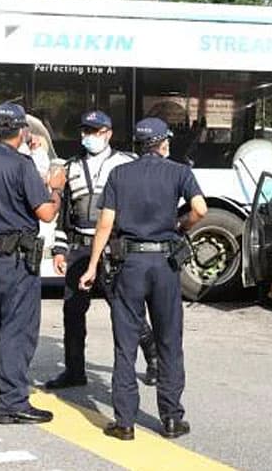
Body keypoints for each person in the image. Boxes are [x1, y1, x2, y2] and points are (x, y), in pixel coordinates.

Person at [79, 117, 207, 441]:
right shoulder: (179, 172)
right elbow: (201, 210)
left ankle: (124, 423)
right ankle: (172, 419)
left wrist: (92, 265)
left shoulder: (119, 174)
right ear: (163, 143)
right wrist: (182, 226)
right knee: (168, 342)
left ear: (138, 144)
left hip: (130, 264)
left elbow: (105, 224)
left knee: (126, 344)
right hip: (165, 264)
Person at [0, 102, 66, 423]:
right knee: (17, 328)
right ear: (22, 131)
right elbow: (46, 213)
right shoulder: (21, 166)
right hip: (15, 259)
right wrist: (56, 190)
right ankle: (11, 401)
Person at [45, 110, 161, 390]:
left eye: (94, 131)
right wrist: (59, 250)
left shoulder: (126, 163)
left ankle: (154, 360)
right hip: (80, 248)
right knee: (73, 313)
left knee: (125, 310)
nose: (88, 137)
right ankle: (74, 370)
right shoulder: (70, 167)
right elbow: (65, 216)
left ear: (108, 133)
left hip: (114, 248)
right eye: (85, 131)